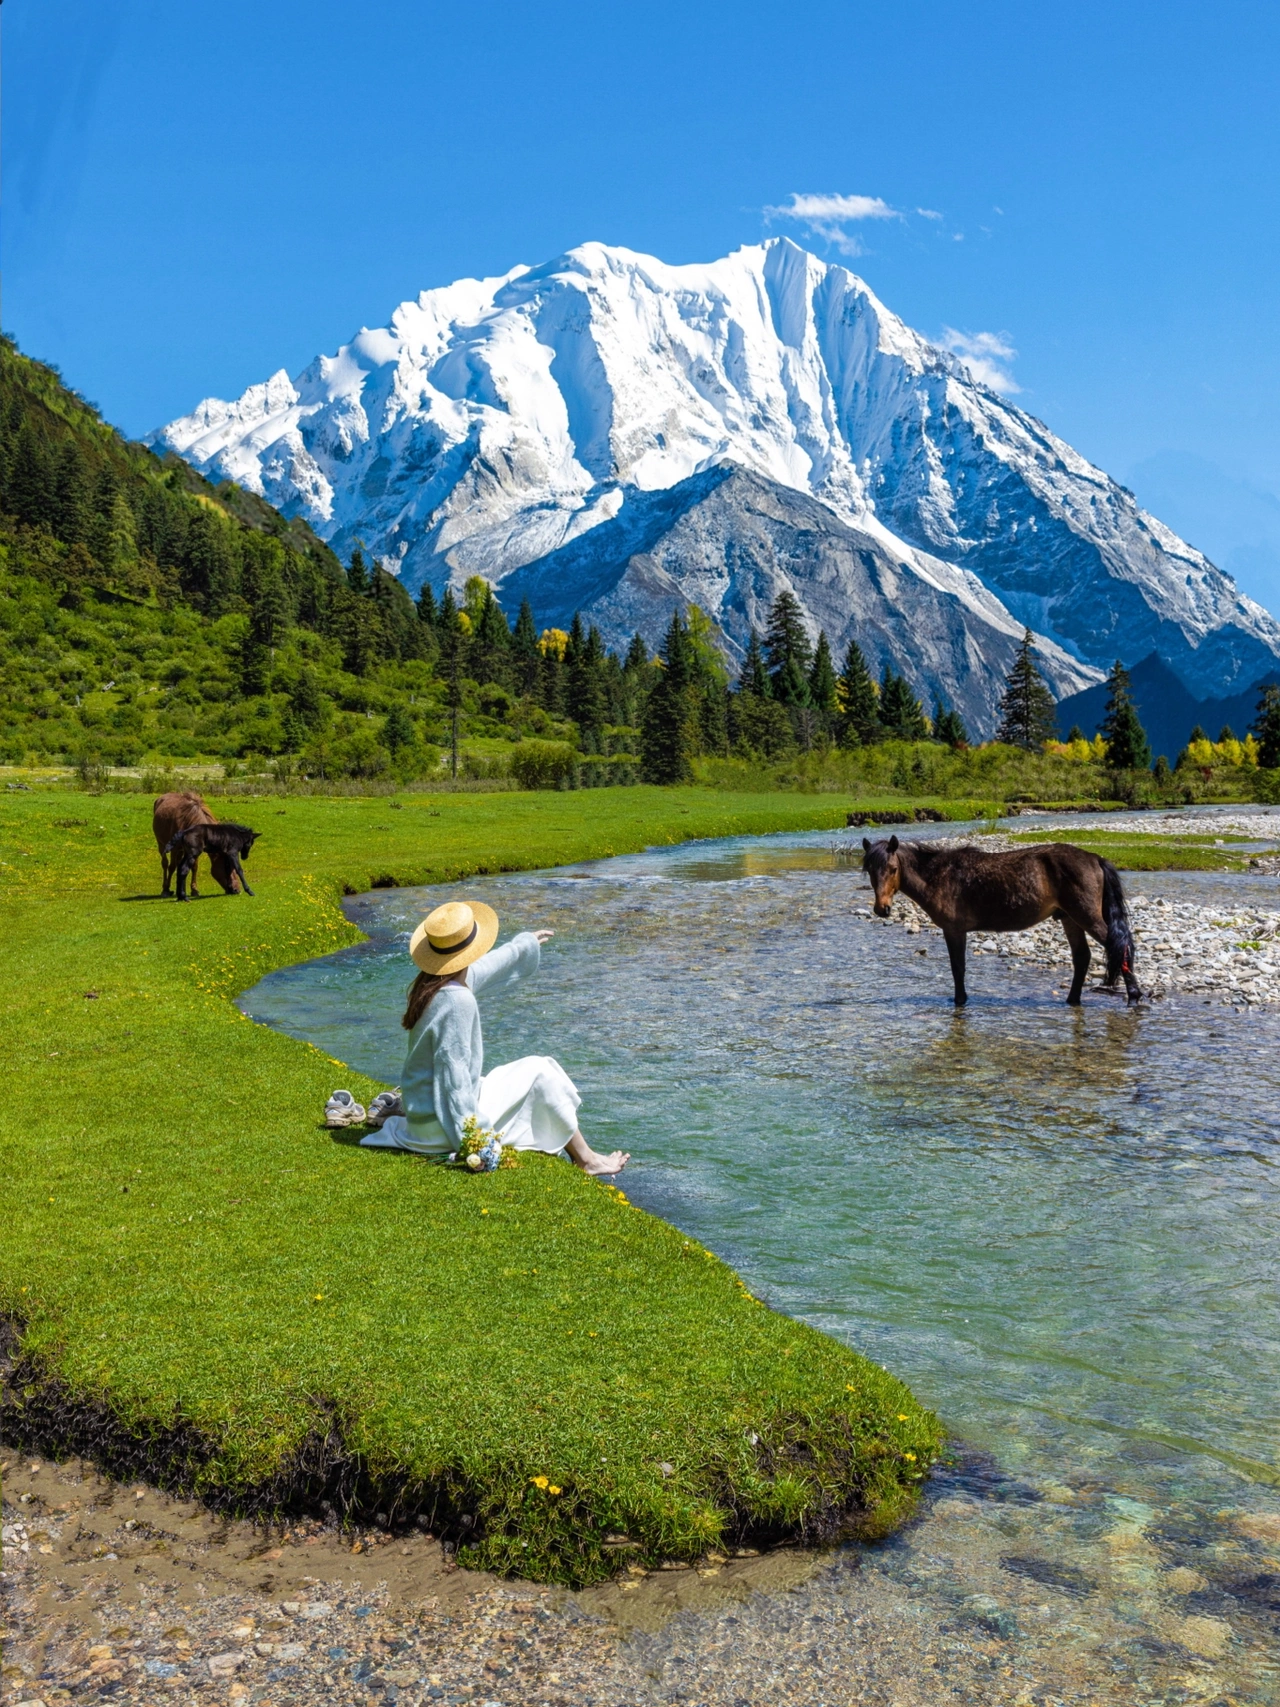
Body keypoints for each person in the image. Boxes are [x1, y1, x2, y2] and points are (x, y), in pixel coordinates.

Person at [361, 899, 629, 1175]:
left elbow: (483, 969)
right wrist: (474, 1139)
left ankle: (586, 1156)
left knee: (538, 1069)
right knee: (541, 1073)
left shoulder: (431, 983)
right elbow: (455, 1077)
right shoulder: (457, 1001)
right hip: (441, 1126)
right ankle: (587, 1160)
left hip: (423, 1113)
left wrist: (522, 946)